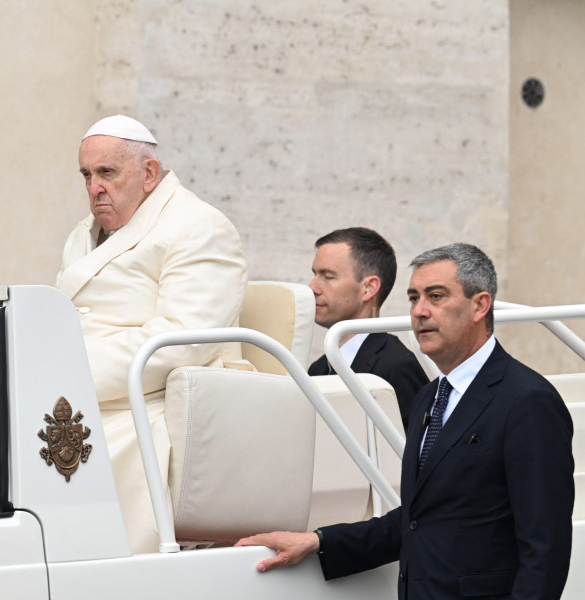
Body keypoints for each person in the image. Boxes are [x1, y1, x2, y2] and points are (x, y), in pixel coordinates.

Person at [237, 243, 573, 600]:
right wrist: (318, 540)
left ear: (480, 305)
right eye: (414, 298)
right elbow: (416, 521)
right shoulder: (431, 397)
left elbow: (545, 548)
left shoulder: (528, 400)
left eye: (436, 296)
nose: (420, 311)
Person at [56, 115, 248, 553]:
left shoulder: (199, 226)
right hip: (82, 389)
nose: (94, 187)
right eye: (86, 175)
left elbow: (184, 340)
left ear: (148, 174)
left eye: (107, 172)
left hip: (150, 397)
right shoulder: (81, 236)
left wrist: (72, 373)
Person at [307, 227, 429, 430]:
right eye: (314, 274)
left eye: (328, 276)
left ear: (369, 288)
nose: (312, 287)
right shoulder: (318, 369)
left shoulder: (397, 367)